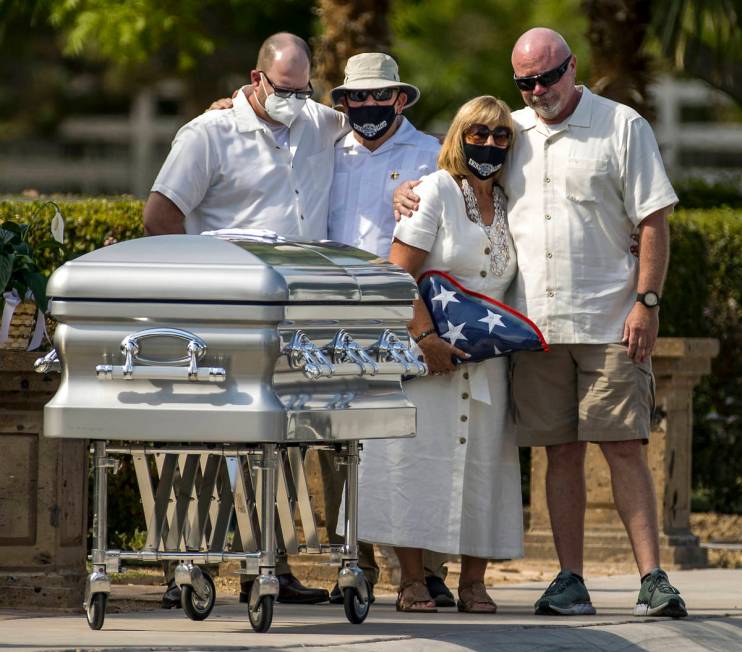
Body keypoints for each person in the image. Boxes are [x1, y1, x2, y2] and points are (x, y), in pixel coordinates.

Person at [394, 27, 686, 619]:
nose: (537, 90)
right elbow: (455, 175)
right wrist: (405, 190)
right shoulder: (510, 134)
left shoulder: (622, 125)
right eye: (524, 81)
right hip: (534, 326)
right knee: (560, 453)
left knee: (624, 446)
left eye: (547, 77)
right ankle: (569, 579)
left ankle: (653, 579)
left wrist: (646, 302)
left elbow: (653, 220)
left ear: (572, 67)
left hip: (610, 319)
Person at [143, 32, 346, 608]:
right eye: (283, 89)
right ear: (256, 80)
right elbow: (159, 216)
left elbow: (381, 137)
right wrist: (207, 280)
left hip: (293, 313)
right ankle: (184, 568)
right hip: (223, 314)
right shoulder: (210, 133)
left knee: (280, 443)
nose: (295, 101)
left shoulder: (319, 121)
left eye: (304, 89)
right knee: (209, 445)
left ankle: (270, 568)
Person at [358, 95, 523, 614]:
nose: (489, 144)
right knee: (415, 460)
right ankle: (410, 580)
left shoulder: (512, 201)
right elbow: (397, 273)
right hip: (426, 351)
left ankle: (473, 582)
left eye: (501, 137)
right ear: (458, 137)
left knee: (484, 465)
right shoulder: (432, 192)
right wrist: (425, 339)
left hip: (489, 359)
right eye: (478, 133)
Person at [324, 52, 455, 608]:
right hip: (331, 317)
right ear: (344, 102)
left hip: (406, 315)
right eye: (358, 98)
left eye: (381, 97)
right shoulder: (325, 153)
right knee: (337, 444)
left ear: (401, 99)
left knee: (410, 441)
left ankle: (428, 568)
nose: (369, 106)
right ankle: (354, 563)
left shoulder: (431, 154)